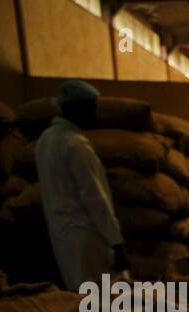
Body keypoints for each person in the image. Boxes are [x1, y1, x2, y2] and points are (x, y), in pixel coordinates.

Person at [34, 80, 128, 290]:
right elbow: (95, 198)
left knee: (83, 299)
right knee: (109, 303)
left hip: (63, 236)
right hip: (89, 237)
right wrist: (117, 242)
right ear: (76, 108)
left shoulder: (45, 141)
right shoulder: (76, 145)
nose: (94, 114)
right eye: (91, 108)